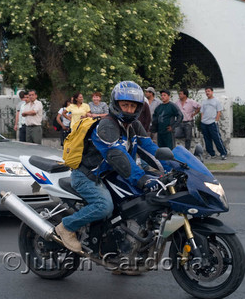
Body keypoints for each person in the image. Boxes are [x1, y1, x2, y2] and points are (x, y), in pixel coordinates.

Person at [55, 81, 171, 253]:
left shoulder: (134, 126)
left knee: (141, 201)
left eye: (133, 106)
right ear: (116, 104)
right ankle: (66, 227)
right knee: (104, 206)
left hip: (113, 176)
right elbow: (117, 156)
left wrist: (178, 165)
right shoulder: (107, 126)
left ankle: (121, 253)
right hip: (88, 176)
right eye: (125, 105)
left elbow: (151, 150)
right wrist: (142, 178)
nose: (129, 110)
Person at [200, 87, 227, 160]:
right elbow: (202, 112)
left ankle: (223, 153)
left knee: (217, 138)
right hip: (204, 123)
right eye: (206, 91)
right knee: (207, 139)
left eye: (208, 91)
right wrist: (202, 120)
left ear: (212, 92)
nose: (207, 93)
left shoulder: (216, 101)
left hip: (212, 123)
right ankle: (211, 154)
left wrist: (216, 120)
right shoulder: (204, 102)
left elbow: (219, 111)